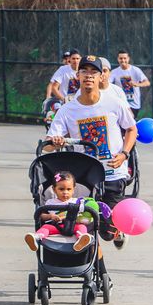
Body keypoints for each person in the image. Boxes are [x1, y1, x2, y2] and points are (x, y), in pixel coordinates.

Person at [45, 55, 138, 260]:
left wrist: (124, 154)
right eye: (84, 71)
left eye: (93, 72)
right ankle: (97, 270)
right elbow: (48, 146)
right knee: (86, 225)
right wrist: (57, 141)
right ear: (77, 76)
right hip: (85, 177)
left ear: (101, 76)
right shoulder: (68, 110)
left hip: (113, 173)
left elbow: (132, 129)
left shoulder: (115, 102)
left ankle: (117, 230)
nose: (88, 76)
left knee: (106, 230)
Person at [24, 171, 95, 253]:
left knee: (82, 227)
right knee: (45, 227)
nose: (65, 192)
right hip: (56, 226)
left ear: (73, 189)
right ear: (54, 189)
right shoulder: (50, 203)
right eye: (61, 189)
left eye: (69, 189)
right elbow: (41, 215)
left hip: (73, 226)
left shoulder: (77, 202)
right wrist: (50, 216)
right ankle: (36, 238)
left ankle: (82, 238)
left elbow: (83, 215)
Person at [110, 49, 150, 118]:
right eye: (121, 58)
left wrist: (137, 84)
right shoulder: (114, 72)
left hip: (134, 104)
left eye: (125, 58)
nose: (123, 60)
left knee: (131, 124)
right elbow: (108, 83)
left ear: (128, 59)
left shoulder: (135, 70)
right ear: (118, 59)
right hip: (121, 103)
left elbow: (147, 83)